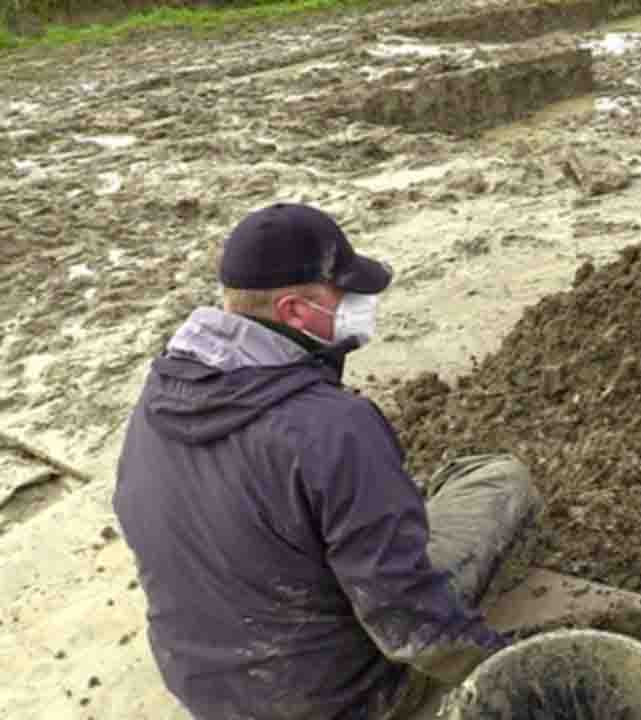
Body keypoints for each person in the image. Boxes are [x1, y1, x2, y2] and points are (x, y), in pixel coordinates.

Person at [113, 203, 543, 719]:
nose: (360, 305)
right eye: (345, 295)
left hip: (207, 691)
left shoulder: (159, 397)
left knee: (348, 505)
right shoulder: (333, 427)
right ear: (295, 311)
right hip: (339, 702)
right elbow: (409, 623)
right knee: (497, 480)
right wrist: (514, 673)